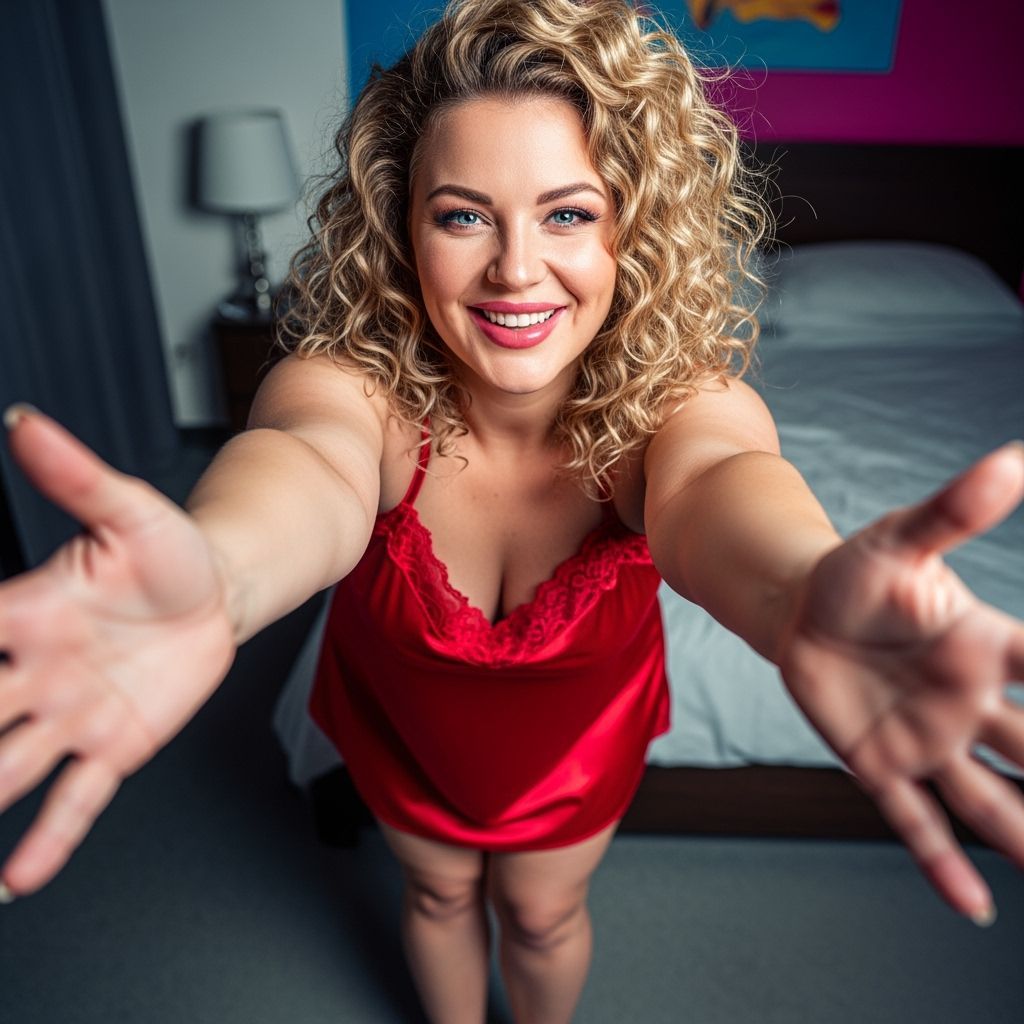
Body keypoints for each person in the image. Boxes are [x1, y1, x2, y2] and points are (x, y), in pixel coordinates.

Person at [1, 0, 1022, 1021]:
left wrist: (800, 591)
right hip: (400, 723)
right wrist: (220, 573)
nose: (516, 269)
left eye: (568, 213)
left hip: (577, 738)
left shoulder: (685, 408)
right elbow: (306, 466)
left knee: (541, 913)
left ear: (634, 227)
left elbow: (720, 484)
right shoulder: (345, 387)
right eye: (464, 215)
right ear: (403, 226)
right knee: (437, 893)